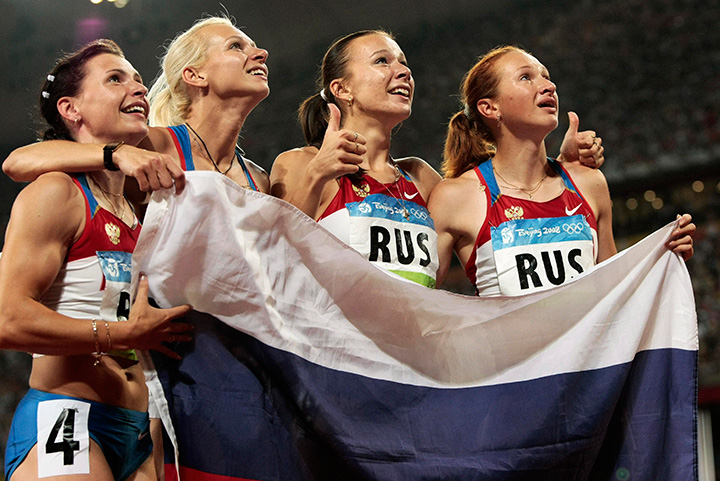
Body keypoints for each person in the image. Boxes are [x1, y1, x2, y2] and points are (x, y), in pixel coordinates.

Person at [270, 31, 604, 289]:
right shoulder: (299, 164)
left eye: (403, 63)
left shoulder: (422, 178)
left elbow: (508, 186)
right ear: (342, 89)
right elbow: (273, 262)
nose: (404, 71)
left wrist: (561, 167)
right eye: (382, 61)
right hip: (334, 351)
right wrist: (317, 174)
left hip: (409, 352)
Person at [0, 40, 193, 481]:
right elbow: (7, 320)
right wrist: (124, 335)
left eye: (139, 80)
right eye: (115, 79)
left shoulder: (138, 208)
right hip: (68, 415)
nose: (138, 88)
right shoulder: (58, 192)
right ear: (71, 109)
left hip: (140, 430)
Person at [427, 46, 695, 296]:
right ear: (490, 108)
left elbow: (613, 292)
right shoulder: (456, 197)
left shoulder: (589, 183)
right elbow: (417, 300)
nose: (549, 86)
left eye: (546, 77)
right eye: (526, 78)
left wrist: (661, 259)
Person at [3, 16, 271, 200]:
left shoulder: (259, 179)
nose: (261, 53)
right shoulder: (153, 147)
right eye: (236, 46)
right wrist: (117, 153)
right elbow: (18, 161)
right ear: (195, 75)